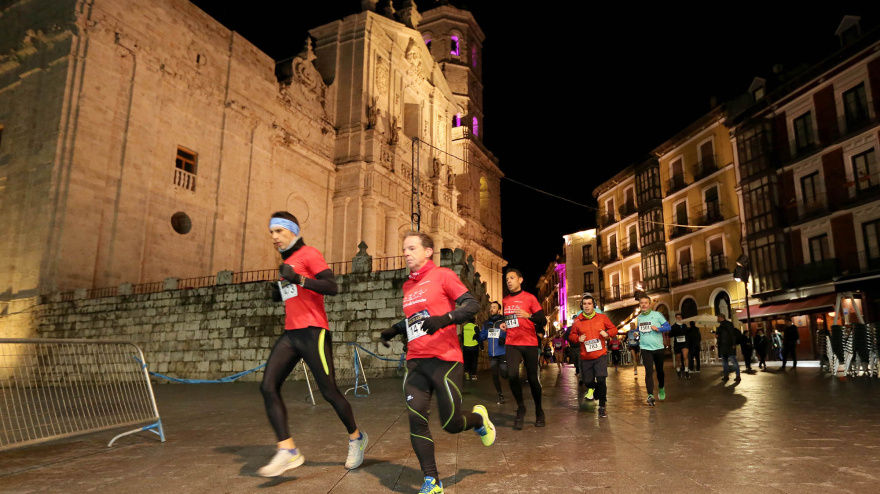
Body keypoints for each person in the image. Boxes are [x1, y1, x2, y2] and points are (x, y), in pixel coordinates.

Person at [381, 231, 495, 494]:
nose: (406, 253)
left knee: (451, 424)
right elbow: (415, 318)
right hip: (416, 363)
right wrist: (395, 329)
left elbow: (471, 305)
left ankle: (479, 420)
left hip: (446, 360)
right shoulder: (408, 287)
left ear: (428, 251)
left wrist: (444, 320)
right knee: (416, 419)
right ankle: (432, 480)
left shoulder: (443, 275)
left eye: (411, 248)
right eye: (404, 249)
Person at [258, 212, 367, 477]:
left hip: (313, 332)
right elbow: (296, 294)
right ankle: (288, 450)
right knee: (268, 386)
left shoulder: (309, 254)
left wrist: (298, 279)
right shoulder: (287, 262)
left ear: (292, 230)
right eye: (271, 232)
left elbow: (331, 286)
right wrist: (280, 292)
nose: (274, 237)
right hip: (291, 334)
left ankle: (357, 437)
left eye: (279, 231)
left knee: (329, 392)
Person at [502, 269, 548, 429]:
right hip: (511, 342)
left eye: (512, 278)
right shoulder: (505, 300)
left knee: (533, 379)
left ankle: (539, 411)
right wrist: (505, 324)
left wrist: (528, 315)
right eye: (507, 279)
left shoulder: (530, 298)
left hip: (529, 343)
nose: (509, 281)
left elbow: (543, 320)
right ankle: (521, 407)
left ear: (520, 280)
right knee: (512, 375)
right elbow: (509, 319)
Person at [568, 294, 617, 418]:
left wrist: (607, 334)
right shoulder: (577, 321)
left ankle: (602, 407)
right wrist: (578, 338)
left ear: (593, 305)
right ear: (582, 306)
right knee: (588, 382)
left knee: (601, 379)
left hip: (600, 355)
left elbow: (614, 329)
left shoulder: (602, 318)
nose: (587, 306)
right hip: (586, 357)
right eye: (584, 304)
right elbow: (571, 336)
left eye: (589, 303)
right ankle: (597, 389)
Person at [636, 295, 671, 406]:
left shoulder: (657, 315)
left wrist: (659, 329)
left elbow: (668, 327)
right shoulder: (639, 317)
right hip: (645, 348)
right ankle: (650, 395)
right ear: (639, 305)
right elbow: (639, 329)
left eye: (646, 303)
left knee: (660, 371)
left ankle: (661, 387)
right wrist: (636, 333)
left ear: (649, 304)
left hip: (658, 348)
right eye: (642, 303)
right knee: (649, 372)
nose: (644, 305)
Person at [477, 301, 507, 404]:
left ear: (499, 310)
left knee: (505, 374)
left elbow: (511, 333)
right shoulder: (486, 323)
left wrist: (504, 339)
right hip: (492, 354)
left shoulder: (504, 321)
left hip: (502, 352)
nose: (491, 309)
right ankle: (500, 395)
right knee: (494, 375)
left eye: (494, 307)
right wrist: (478, 336)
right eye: (491, 307)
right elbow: (483, 336)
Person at [716, 314, 741, 383]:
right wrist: (718, 340)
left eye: (718, 318)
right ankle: (726, 375)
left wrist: (733, 344)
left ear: (721, 318)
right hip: (724, 346)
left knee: (733, 361)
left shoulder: (728, 324)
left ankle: (737, 375)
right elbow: (721, 336)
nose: (717, 319)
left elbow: (732, 334)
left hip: (729, 346)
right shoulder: (721, 326)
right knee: (725, 362)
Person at [669, 314, 689, 379]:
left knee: (685, 356)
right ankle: (678, 369)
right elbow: (670, 335)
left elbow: (688, 333)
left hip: (685, 343)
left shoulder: (685, 325)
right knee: (678, 357)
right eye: (677, 317)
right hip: (677, 344)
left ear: (681, 318)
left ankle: (686, 370)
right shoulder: (673, 327)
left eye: (680, 317)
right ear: (675, 318)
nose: (679, 318)